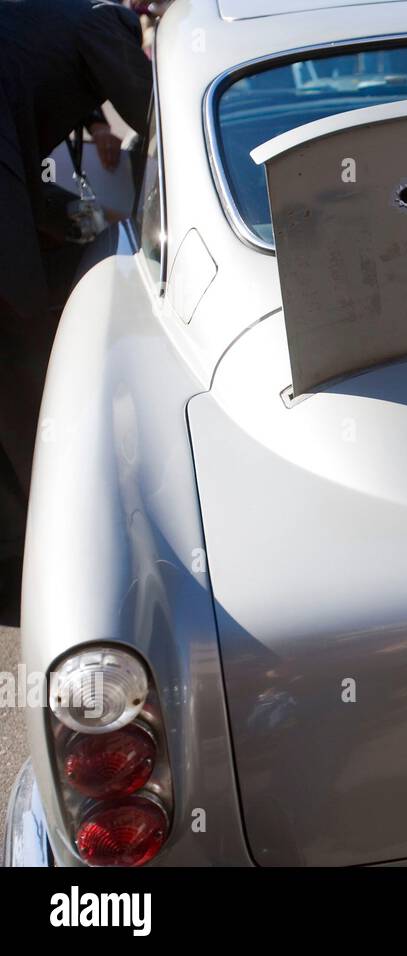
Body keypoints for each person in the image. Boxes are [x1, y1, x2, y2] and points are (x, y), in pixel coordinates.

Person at [0, 0, 153, 608]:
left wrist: (93, 124)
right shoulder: (102, 20)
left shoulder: (44, 19)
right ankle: (51, 548)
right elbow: (155, 113)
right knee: (27, 351)